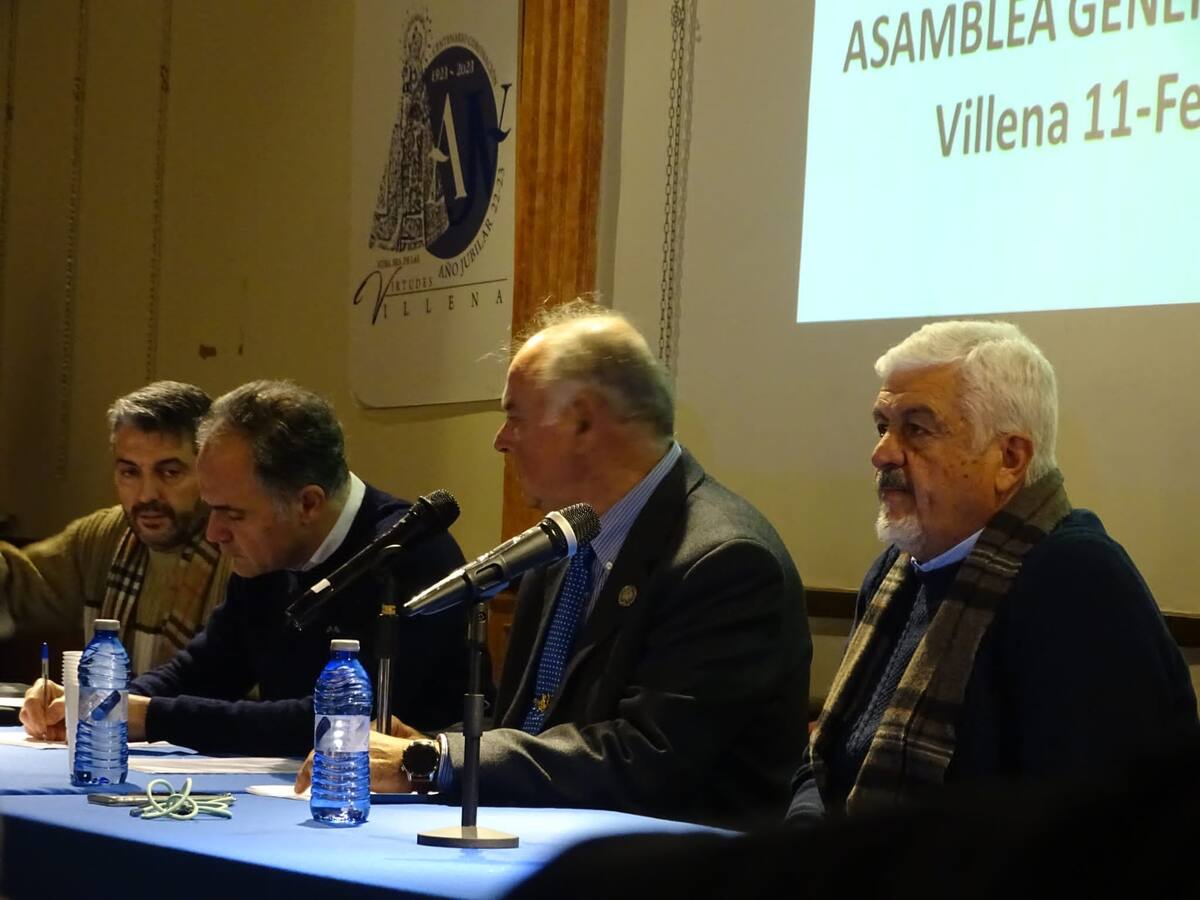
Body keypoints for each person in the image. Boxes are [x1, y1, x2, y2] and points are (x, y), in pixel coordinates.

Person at [298, 301, 812, 827]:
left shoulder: (725, 561)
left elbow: (646, 758)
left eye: (516, 418)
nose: (500, 440)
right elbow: (527, 727)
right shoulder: (563, 543)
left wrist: (434, 760)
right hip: (553, 840)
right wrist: (435, 745)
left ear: (583, 422)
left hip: (678, 860)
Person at [790, 320, 1197, 821]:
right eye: (882, 426)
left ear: (1009, 459)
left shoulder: (1075, 582)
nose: (882, 454)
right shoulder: (896, 571)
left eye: (916, 428)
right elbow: (824, 762)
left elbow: (1101, 830)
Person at [25, 379, 469, 756]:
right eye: (211, 509)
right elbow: (205, 670)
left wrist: (153, 716)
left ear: (307, 503)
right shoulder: (268, 554)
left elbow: (341, 720)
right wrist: (99, 702)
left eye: (232, 514)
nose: (214, 532)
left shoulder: (409, 553)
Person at [13, 381, 231, 739]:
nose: (146, 495)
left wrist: (122, 709)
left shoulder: (242, 548)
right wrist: (77, 701)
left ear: (209, 468)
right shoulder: (103, 537)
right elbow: (19, 586)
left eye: (170, 472)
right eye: (130, 472)